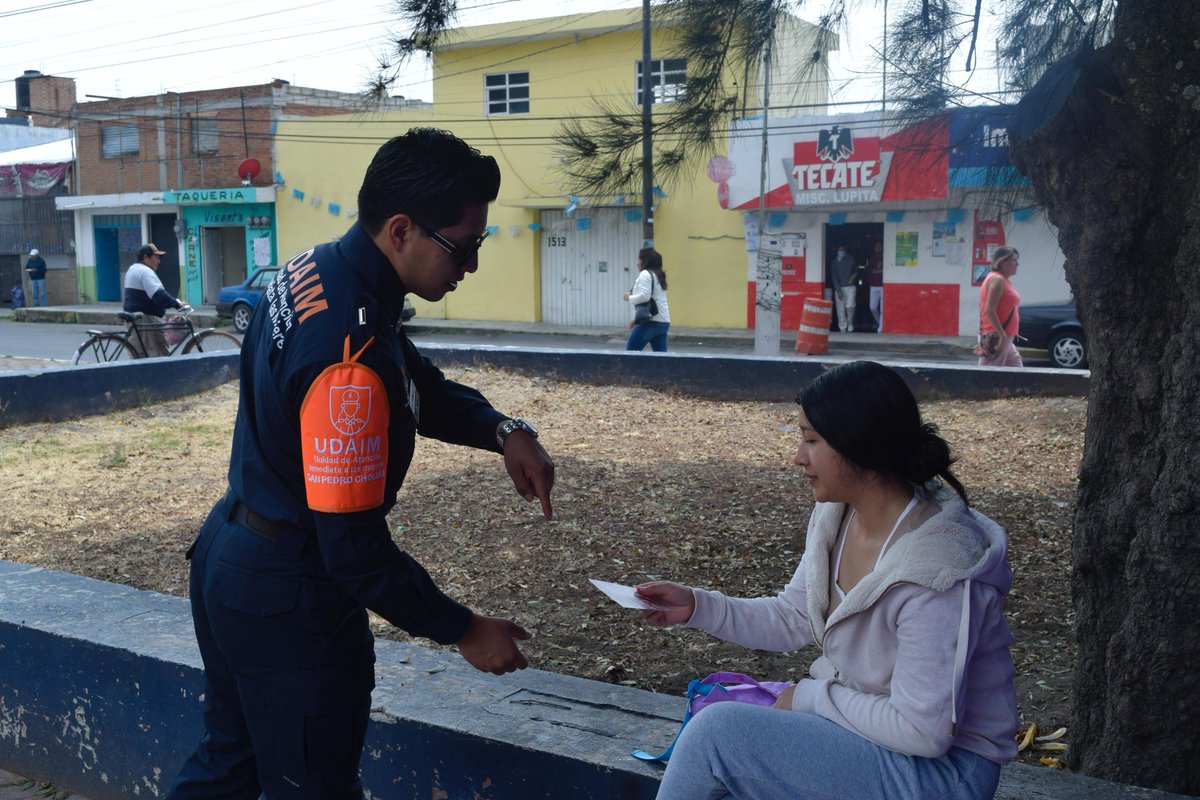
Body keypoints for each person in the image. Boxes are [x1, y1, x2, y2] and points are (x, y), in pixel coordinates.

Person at [164, 128, 556, 800]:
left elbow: (409, 377)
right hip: (288, 600)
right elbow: (356, 552)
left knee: (229, 767)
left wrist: (500, 427)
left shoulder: (317, 270)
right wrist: (463, 628)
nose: (471, 266)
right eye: (462, 248)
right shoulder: (347, 354)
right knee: (309, 787)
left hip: (236, 558)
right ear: (402, 230)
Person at [637, 360, 1018, 800]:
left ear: (862, 448)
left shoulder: (938, 573)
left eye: (812, 440)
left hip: (944, 774)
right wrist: (699, 606)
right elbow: (795, 615)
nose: (798, 456)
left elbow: (923, 732)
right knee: (723, 750)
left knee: (716, 735)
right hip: (868, 734)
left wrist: (809, 697)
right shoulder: (837, 514)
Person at [123, 243, 188, 357]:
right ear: (145, 258)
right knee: (158, 355)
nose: (158, 261)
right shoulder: (145, 272)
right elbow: (158, 295)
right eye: (156, 257)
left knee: (139, 355)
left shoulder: (133, 268)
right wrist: (176, 303)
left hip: (135, 316)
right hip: (145, 318)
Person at [978, 246, 1022, 367]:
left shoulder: (1002, 280)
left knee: (1016, 369)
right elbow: (989, 310)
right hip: (997, 336)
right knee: (989, 375)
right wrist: (1001, 335)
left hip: (1002, 335)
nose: (1017, 264)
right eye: (1014, 260)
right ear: (1002, 262)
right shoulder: (997, 280)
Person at [623, 247, 671, 352]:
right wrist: (635, 319)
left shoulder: (645, 274)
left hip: (650, 322)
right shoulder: (659, 275)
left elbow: (645, 296)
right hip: (663, 322)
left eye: (639, 259)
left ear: (645, 261)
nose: (636, 263)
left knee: (629, 356)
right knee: (661, 359)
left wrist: (628, 297)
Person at [828, 245, 857, 332]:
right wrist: (838, 290)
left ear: (845, 250)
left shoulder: (851, 259)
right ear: (837, 251)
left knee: (850, 306)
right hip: (839, 288)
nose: (841, 251)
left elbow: (856, 271)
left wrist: (852, 278)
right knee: (840, 309)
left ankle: (850, 323)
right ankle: (842, 327)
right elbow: (834, 277)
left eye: (843, 250)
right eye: (839, 250)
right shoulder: (834, 262)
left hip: (850, 287)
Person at [866, 240, 884, 331]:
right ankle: (879, 322)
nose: (878, 248)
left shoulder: (885, 257)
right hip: (873, 285)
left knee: (882, 309)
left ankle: (881, 327)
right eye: (876, 246)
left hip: (883, 286)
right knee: (872, 307)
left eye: (879, 246)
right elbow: (868, 271)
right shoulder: (871, 258)